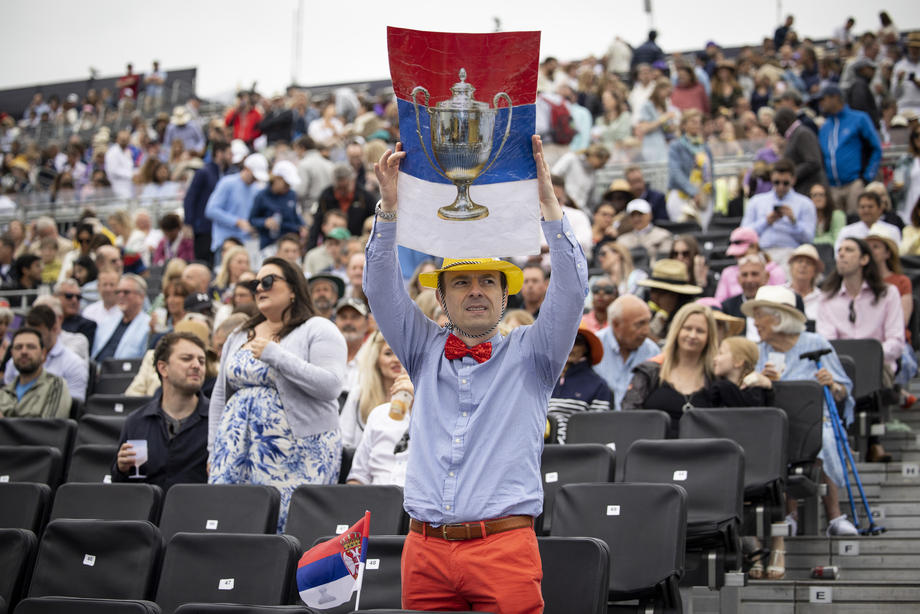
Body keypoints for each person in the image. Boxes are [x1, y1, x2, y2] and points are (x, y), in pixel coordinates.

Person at [366, 136, 586, 612]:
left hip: (503, 548)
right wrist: (388, 211)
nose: (476, 291)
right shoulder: (422, 347)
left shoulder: (535, 352)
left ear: (505, 296)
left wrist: (550, 207)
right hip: (424, 550)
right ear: (441, 298)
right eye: (461, 282)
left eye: (489, 281)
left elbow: (571, 291)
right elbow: (380, 290)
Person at [209, 257, 346, 531]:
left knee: (287, 531)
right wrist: (213, 449)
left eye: (269, 281)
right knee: (232, 524)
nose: (260, 288)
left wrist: (277, 356)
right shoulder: (239, 335)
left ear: (293, 288)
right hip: (235, 450)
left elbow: (330, 385)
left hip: (298, 453)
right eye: (255, 283)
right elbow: (220, 397)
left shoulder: (318, 329)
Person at [744, 285, 859, 535]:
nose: (755, 323)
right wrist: (764, 381)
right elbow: (751, 397)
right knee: (774, 443)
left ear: (778, 318)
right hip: (778, 424)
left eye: (759, 316)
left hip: (817, 421)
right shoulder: (759, 352)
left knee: (824, 440)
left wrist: (832, 384)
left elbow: (843, 392)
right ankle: (789, 515)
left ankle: (835, 517)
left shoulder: (815, 343)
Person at [709, 335, 783, 579]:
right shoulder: (718, 388)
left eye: (721, 352)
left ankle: (777, 545)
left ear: (739, 361)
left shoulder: (755, 390)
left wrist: (767, 385)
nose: (715, 358)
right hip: (728, 461)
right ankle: (753, 545)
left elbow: (760, 420)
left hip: (757, 458)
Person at [113, 331, 210, 490]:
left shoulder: (219, 421)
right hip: (145, 505)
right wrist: (121, 469)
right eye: (186, 359)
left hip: (196, 505)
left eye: (201, 361)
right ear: (163, 368)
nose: (196, 365)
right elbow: (121, 489)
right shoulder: (136, 422)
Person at [623, 303, 717, 436]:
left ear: (709, 337)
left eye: (700, 331)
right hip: (653, 448)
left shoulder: (716, 377)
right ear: (676, 330)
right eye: (687, 328)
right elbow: (629, 416)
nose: (692, 335)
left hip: (703, 448)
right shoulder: (649, 372)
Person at [817, 237, 904, 379]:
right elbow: (827, 343)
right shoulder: (826, 298)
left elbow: (896, 342)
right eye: (839, 251)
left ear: (864, 259)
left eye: (849, 250)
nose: (842, 254)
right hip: (840, 369)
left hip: (878, 368)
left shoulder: (888, 294)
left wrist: (867, 356)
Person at [817, 85, 882, 215]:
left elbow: (876, 148)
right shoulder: (825, 127)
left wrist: (866, 177)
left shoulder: (859, 119)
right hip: (833, 187)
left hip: (854, 183)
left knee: (856, 220)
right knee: (838, 224)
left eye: (823, 99)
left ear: (835, 98)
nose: (821, 104)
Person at [339, 330, 409, 448]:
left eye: (401, 353)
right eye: (388, 353)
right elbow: (344, 440)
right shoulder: (359, 394)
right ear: (376, 359)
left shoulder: (415, 396)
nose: (396, 359)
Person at [740, 158, 817, 266]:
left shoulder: (805, 203)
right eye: (777, 182)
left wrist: (794, 222)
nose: (781, 187)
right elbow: (743, 234)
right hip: (762, 253)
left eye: (785, 183)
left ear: (793, 180)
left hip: (792, 254)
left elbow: (809, 239)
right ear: (771, 178)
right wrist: (766, 221)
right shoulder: (756, 201)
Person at [345, 372, 415, 486]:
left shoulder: (440, 421)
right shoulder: (379, 414)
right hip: (376, 494)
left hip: (414, 495)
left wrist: (418, 405)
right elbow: (358, 476)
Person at [594, 295, 659, 411]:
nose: (646, 331)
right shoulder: (594, 345)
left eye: (648, 323)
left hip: (637, 420)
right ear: (616, 324)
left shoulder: (652, 351)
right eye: (640, 324)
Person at [548, 326, 611, 443]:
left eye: (577, 340)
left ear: (586, 348)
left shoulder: (598, 385)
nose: (570, 345)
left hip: (575, 450)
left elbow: (598, 430)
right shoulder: (541, 378)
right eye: (564, 339)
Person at [205, 153, 269, 256]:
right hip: (225, 243)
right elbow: (211, 210)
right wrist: (237, 222)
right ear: (246, 169)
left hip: (246, 244)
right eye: (253, 176)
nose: (254, 179)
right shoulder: (227, 183)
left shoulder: (256, 189)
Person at [0, 328, 71, 418]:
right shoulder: (4, 392)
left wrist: (4, 421)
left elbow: (50, 425)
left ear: (43, 353)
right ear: (12, 353)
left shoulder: (55, 386)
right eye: (18, 347)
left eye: (31, 347)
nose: (24, 352)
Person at [184, 140, 231, 265]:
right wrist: (188, 222)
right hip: (203, 228)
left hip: (218, 229)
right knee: (203, 263)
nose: (230, 157)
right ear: (219, 153)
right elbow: (190, 197)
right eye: (228, 153)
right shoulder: (204, 172)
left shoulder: (225, 174)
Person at [666, 109, 714, 227]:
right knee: (682, 228)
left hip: (703, 197)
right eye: (693, 122)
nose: (697, 125)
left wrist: (710, 194)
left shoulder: (705, 147)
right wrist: (693, 192)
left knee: (703, 229)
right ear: (684, 125)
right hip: (681, 195)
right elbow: (675, 172)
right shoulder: (676, 146)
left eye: (699, 122)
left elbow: (711, 172)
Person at [714, 228, 786, 303]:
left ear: (754, 247)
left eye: (742, 255)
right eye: (736, 255)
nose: (749, 280)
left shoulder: (775, 271)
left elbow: (781, 299)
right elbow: (720, 302)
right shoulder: (728, 273)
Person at [638, 259, 704, 342]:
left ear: (673, 296)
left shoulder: (690, 315)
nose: (652, 294)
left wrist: (663, 313)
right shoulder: (653, 311)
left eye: (656, 291)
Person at [92, 274, 151, 361]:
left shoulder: (148, 326)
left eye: (126, 292)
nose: (121, 295)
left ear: (141, 297)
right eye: (118, 292)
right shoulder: (107, 322)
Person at [249, 160, 306, 250]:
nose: (288, 187)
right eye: (286, 184)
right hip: (269, 243)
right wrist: (265, 222)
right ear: (277, 179)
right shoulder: (261, 196)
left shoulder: (291, 194)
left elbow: (295, 214)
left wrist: (302, 226)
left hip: (290, 243)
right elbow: (252, 220)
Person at [550, 144, 610, 212]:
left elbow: (591, 199)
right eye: (602, 163)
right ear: (595, 156)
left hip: (579, 210)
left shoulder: (593, 174)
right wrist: (564, 197)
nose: (602, 166)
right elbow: (553, 177)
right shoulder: (571, 158)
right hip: (562, 205)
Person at [835, 191, 901, 250]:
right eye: (862, 207)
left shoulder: (892, 231)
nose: (866, 210)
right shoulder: (846, 232)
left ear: (880, 209)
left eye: (870, 207)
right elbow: (838, 253)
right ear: (858, 209)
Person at [334, 297, 370, 394]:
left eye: (355, 317)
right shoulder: (326, 357)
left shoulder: (374, 358)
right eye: (343, 317)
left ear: (367, 323)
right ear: (335, 322)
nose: (348, 322)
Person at [636, 78, 677, 163]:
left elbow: (666, 128)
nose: (667, 97)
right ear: (659, 90)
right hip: (651, 145)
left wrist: (671, 126)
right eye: (666, 93)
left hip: (663, 144)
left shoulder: (664, 107)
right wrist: (663, 118)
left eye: (669, 94)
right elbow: (644, 128)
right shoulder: (647, 106)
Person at [786, 244, 824, 322]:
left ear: (815, 271)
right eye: (799, 261)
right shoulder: (780, 292)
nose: (803, 265)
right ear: (791, 267)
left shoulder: (823, 298)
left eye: (808, 263)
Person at [55, 279, 96, 348]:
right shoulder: (48, 322)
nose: (74, 300)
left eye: (78, 297)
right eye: (69, 296)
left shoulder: (87, 325)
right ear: (55, 296)